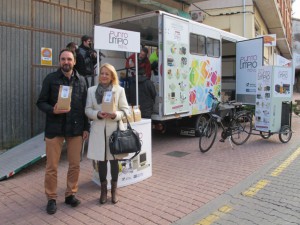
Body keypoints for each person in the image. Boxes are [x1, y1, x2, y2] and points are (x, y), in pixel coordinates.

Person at [36, 49, 90, 215]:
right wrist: (52, 110)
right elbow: (40, 102)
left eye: (69, 59)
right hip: (55, 128)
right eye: (63, 59)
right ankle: (51, 198)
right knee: (52, 166)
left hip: (75, 129)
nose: (66, 62)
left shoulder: (82, 81)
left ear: (74, 62)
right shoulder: (51, 79)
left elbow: (84, 107)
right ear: (59, 61)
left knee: (75, 165)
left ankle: (70, 194)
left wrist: (86, 127)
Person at [85, 63, 129, 204]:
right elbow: (87, 109)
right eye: (102, 73)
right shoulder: (91, 91)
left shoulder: (119, 90)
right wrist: (97, 114)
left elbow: (125, 110)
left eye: (107, 74)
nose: (104, 76)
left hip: (114, 131)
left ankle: (114, 191)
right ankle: (103, 191)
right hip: (98, 131)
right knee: (101, 162)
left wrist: (115, 115)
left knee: (114, 162)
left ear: (112, 76)